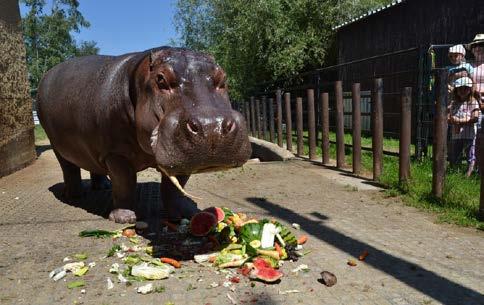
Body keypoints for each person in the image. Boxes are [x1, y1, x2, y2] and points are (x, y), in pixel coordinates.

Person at [447, 77, 480, 176]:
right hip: (456, 135)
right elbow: (448, 117)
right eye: (460, 88)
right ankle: (454, 172)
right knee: (455, 154)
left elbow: (475, 118)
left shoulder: (473, 102)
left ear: (470, 90)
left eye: (465, 88)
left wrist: (460, 121)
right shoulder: (454, 103)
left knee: (470, 154)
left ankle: (469, 173)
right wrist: (452, 120)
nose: (462, 91)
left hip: (469, 135)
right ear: (456, 90)